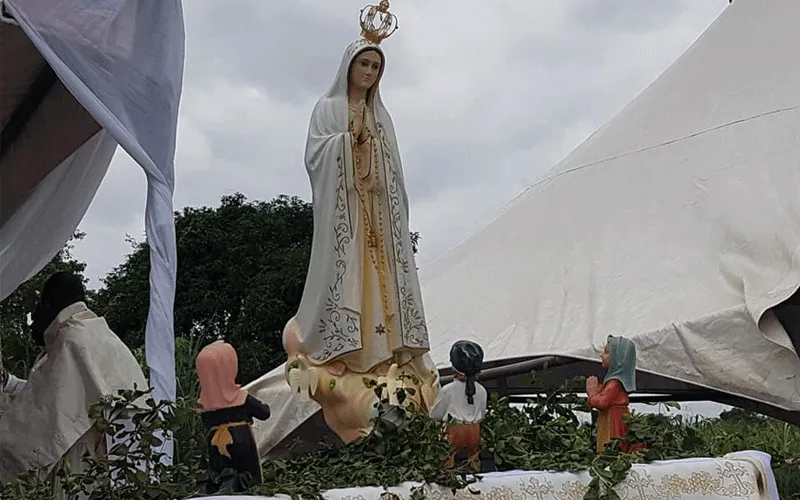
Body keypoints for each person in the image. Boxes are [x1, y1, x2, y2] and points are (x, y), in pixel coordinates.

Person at [266, 2, 439, 445]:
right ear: (348, 66)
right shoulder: (328, 108)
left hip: (379, 218)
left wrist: (373, 150)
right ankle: (352, 356)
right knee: (350, 284)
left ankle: (389, 358)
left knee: (386, 291)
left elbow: (394, 172)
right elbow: (316, 157)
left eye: (375, 66)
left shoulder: (383, 117)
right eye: (363, 63)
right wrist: (349, 142)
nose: (368, 72)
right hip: (347, 218)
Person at [0, 272, 148, 493]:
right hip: (123, 464)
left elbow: (40, 421)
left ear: (50, 303)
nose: (34, 320)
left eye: (38, 307)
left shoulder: (71, 343)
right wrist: (8, 384)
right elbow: (60, 397)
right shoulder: (103, 336)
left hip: (85, 465)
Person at [196, 341, 270, 494]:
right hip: (240, 437)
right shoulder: (241, 397)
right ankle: (238, 483)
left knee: (220, 466)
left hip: (214, 440)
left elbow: (205, 423)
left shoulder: (202, 404)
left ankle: (217, 482)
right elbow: (264, 413)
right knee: (246, 470)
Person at [429, 341, 487, 472]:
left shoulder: (447, 390)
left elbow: (436, 415)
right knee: (473, 459)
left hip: (455, 431)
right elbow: (482, 414)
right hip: (474, 430)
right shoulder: (482, 390)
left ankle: (448, 471)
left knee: (448, 459)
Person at [586, 335, 645, 453]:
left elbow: (602, 403)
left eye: (607, 352)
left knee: (611, 446)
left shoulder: (615, 383)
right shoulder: (613, 382)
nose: (602, 355)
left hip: (613, 419)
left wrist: (592, 393)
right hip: (611, 416)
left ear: (619, 359)